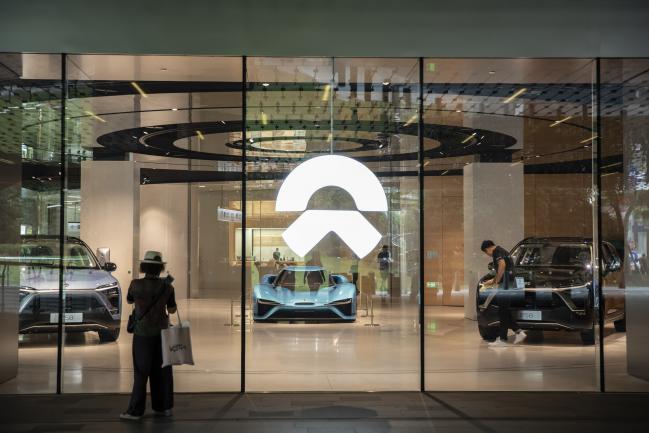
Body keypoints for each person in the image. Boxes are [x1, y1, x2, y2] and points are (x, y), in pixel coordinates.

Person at [120, 251, 177, 421]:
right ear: (160, 267)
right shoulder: (167, 286)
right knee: (162, 371)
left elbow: (130, 300)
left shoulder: (135, 284)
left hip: (142, 333)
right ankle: (163, 407)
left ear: (144, 267)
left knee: (141, 372)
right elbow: (172, 309)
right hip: (161, 333)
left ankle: (135, 411)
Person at [481, 240, 526, 346]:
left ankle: (503, 339)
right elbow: (502, 271)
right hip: (508, 283)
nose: (488, 255)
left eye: (486, 253)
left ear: (487, 249)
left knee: (502, 311)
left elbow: (502, 265)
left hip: (505, 284)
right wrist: (491, 281)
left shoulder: (496, 251)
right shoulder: (503, 251)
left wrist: (496, 281)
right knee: (503, 310)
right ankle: (518, 332)